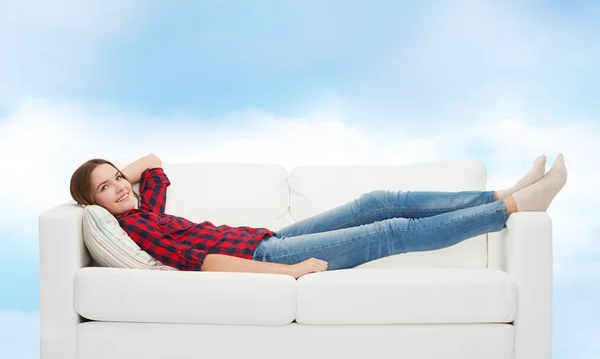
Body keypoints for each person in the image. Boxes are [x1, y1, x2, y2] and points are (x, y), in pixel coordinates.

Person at [70, 153, 567, 279]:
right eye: (106, 188)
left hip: (270, 235)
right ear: (93, 204)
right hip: (269, 253)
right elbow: (206, 263)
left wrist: (111, 176)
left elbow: (153, 165)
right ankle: (514, 208)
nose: (121, 187)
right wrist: (287, 272)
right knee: (388, 231)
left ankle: (501, 193)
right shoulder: (133, 228)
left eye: (118, 178)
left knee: (375, 200)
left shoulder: (140, 209)